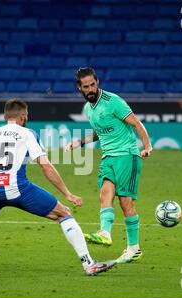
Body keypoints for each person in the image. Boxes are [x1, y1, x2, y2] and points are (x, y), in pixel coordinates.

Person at [0, 98, 116, 276]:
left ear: (5, 116)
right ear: (23, 116)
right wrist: (67, 193)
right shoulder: (27, 133)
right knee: (63, 213)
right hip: (16, 188)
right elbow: (45, 165)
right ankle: (88, 264)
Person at [65, 67, 152, 264]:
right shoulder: (89, 109)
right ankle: (105, 232)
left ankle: (133, 249)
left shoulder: (114, 102)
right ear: (79, 88)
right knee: (105, 193)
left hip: (127, 156)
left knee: (125, 202)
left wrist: (147, 146)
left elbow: (136, 123)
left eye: (93, 85)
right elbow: (100, 131)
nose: (90, 89)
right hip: (108, 157)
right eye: (86, 86)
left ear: (98, 82)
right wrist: (79, 142)